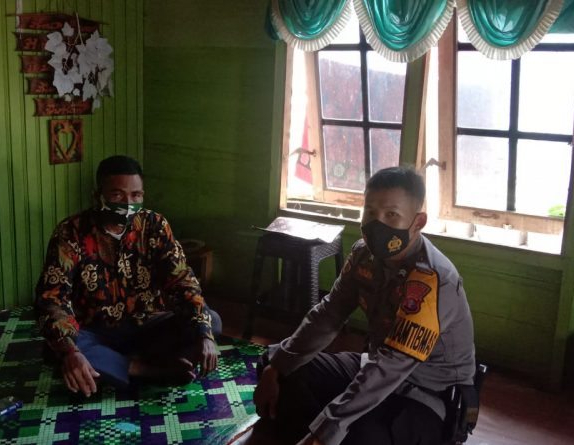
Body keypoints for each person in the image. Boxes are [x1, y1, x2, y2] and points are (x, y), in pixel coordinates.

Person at [253, 166, 475, 445]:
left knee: (357, 435)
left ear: (418, 222)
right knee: (274, 365)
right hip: (374, 363)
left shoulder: (430, 279)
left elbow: (392, 366)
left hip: (428, 391)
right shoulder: (363, 255)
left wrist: (327, 429)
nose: (377, 224)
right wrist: (277, 367)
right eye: (370, 212)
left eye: (391, 215)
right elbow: (328, 315)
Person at [35, 155, 220, 397]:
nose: (128, 204)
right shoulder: (70, 232)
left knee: (210, 321)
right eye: (117, 195)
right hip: (95, 331)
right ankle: (151, 370)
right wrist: (70, 352)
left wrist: (204, 335)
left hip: (147, 327)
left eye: (136, 195)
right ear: (97, 195)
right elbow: (52, 298)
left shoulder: (155, 225)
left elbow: (182, 280)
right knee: (60, 347)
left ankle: (122, 366)